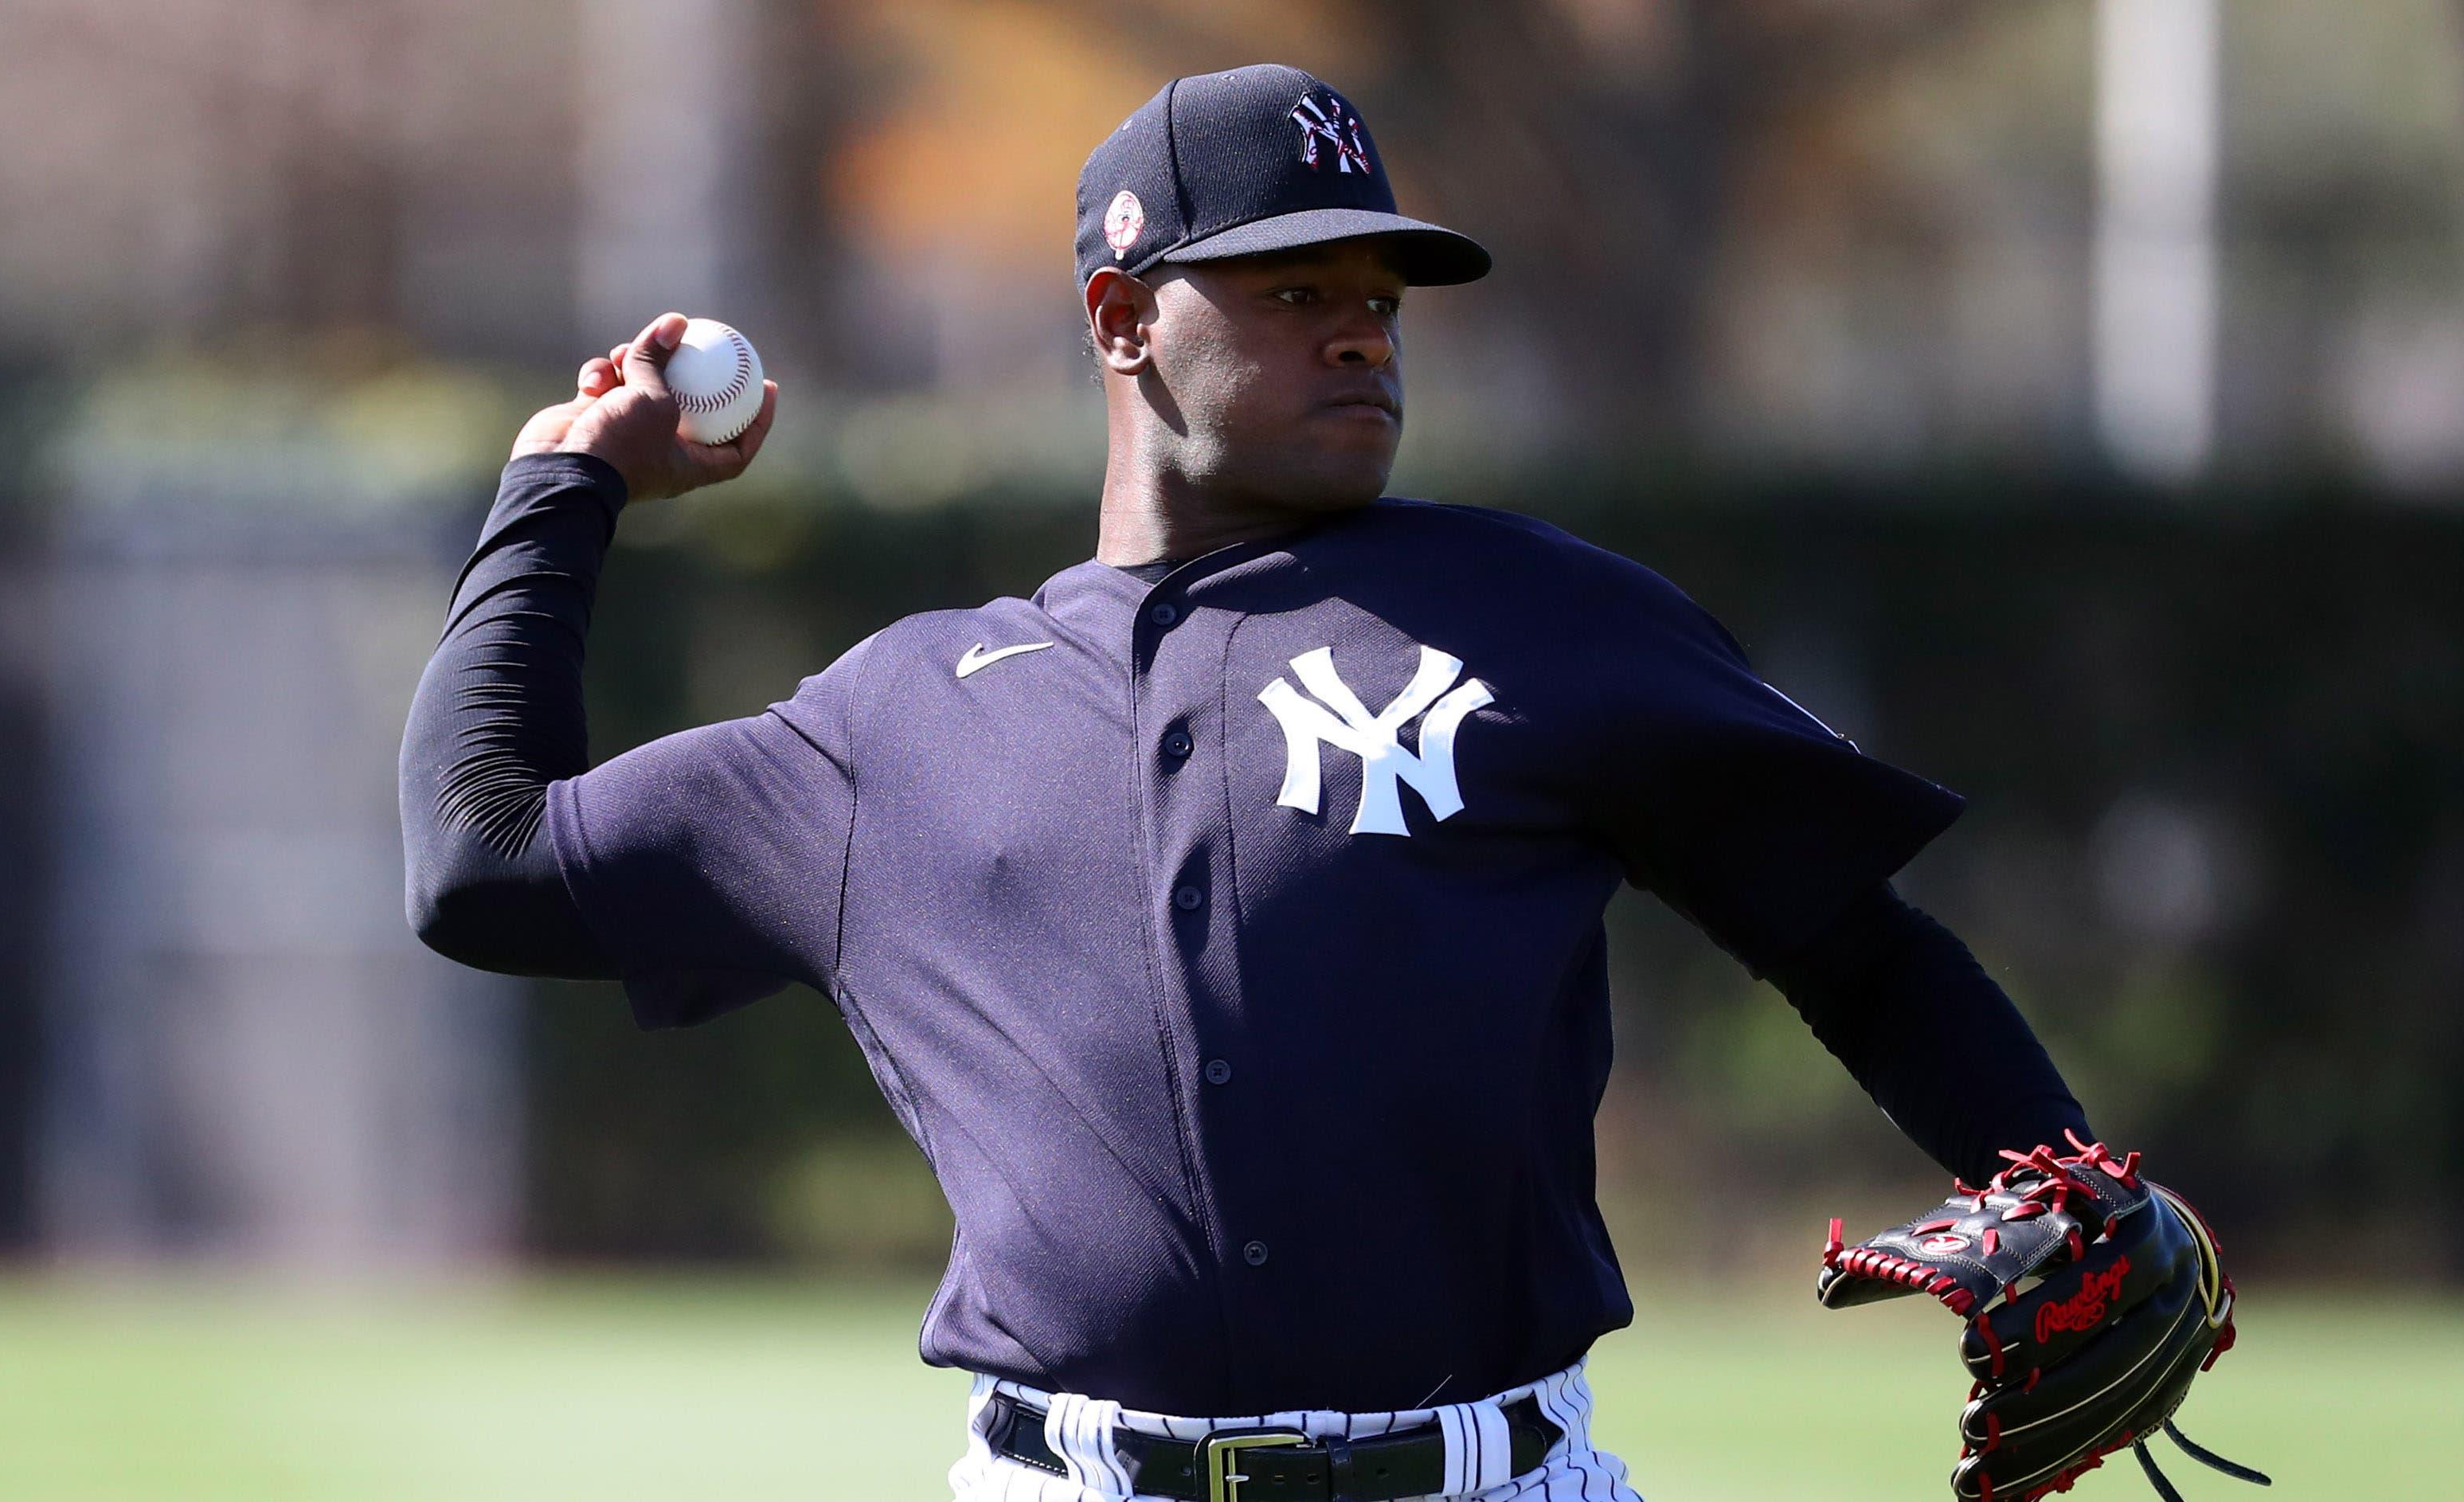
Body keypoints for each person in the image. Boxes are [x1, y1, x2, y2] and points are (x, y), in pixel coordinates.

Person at [401, 65, 2094, 1502]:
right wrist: (559, 490)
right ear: (1122, 319)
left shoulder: (1535, 615)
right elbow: (484, 859)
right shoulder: (895, 721)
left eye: (1378, 298)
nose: (1360, 337)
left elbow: (1855, 948)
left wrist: (2070, 1187)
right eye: (1294, 293)